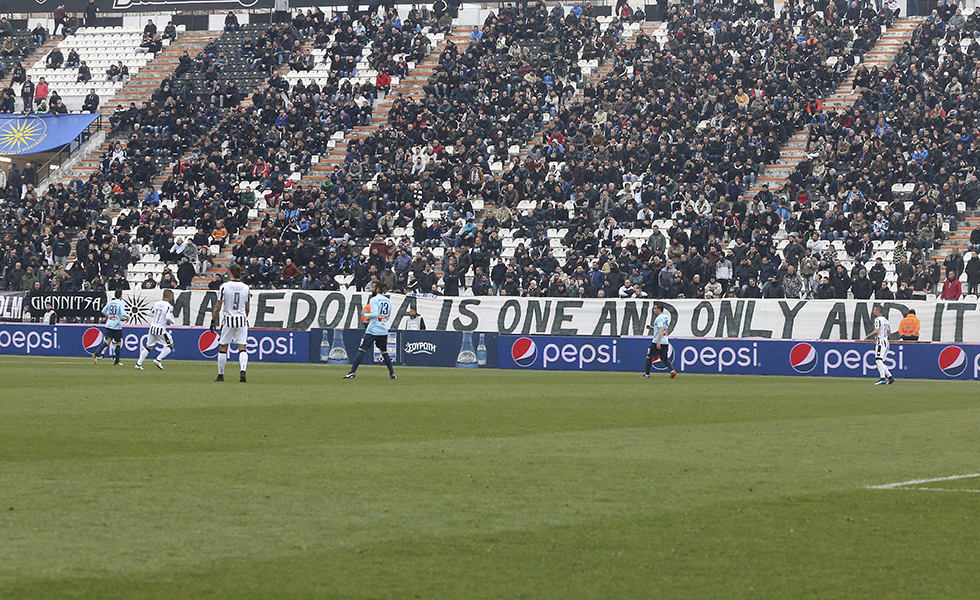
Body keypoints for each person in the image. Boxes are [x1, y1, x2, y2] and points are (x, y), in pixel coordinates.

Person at [344, 284, 397, 380]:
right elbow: (387, 316)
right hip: (383, 329)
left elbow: (375, 314)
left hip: (373, 329)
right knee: (384, 352)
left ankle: (352, 372)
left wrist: (366, 314)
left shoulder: (374, 300)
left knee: (362, 349)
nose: (372, 289)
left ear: (377, 289)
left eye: (373, 287)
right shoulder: (388, 301)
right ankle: (392, 373)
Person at [210, 263, 250, 383]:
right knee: (242, 347)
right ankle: (243, 372)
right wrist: (245, 317)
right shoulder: (246, 287)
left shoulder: (224, 286)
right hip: (242, 320)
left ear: (229, 273)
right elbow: (247, 307)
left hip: (228, 320)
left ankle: (220, 374)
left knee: (223, 346)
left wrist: (213, 320)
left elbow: (218, 305)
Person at [136, 289, 176, 371]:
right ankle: (158, 360)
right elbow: (168, 317)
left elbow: (149, 313)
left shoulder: (156, 303)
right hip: (160, 329)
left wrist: (157, 315)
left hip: (152, 327)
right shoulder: (169, 306)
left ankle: (138, 364)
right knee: (170, 345)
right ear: (170, 297)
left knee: (148, 346)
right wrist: (172, 321)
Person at [91, 289, 128, 365]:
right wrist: (128, 317)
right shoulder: (121, 303)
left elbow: (103, 311)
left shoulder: (110, 302)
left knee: (107, 341)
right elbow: (123, 313)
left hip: (109, 325)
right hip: (116, 326)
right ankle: (117, 361)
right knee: (118, 343)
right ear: (121, 295)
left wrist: (110, 316)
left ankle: (96, 354)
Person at [642, 302, 676, 379]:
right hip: (665, 341)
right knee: (664, 358)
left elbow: (661, 329)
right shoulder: (665, 317)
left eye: (655, 308)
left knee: (649, 356)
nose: (654, 310)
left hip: (657, 341)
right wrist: (652, 328)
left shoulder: (659, 318)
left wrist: (658, 342)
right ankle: (672, 371)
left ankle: (647, 374)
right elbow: (661, 328)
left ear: (659, 309)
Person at [864, 304, 895, 385]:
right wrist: (884, 337)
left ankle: (883, 378)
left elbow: (877, 331)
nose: (873, 311)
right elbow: (889, 333)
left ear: (878, 311)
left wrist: (868, 336)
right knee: (881, 361)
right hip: (886, 342)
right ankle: (890, 377)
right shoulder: (886, 320)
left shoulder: (877, 319)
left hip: (881, 342)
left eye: (874, 310)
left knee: (878, 360)